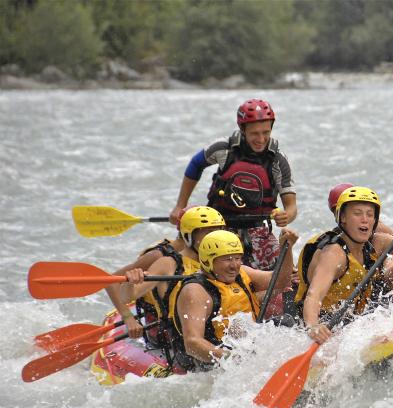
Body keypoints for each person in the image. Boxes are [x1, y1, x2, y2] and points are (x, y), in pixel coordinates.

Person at [168, 98, 297, 270]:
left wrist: (286, 216)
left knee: (284, 276)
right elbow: (195, 165)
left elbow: (292, 207)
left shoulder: (278, 160)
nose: (261, 139)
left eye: (266, 132)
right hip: (218, 228)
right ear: (243, 129)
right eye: (254, 133)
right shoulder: (223, 148)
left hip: (258, 230)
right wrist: (180, 206)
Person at [298, 186, 393, 344]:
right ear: (342, 218)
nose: (365, 219)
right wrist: (313, 326)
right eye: (357, 213)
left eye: (370, 214)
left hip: (354, 320)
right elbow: (314, 295)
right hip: (322, 323)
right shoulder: (333, 254)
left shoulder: (378, 242)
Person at [172, 229, 298, 370]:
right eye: (227, 259)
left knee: (284, 323)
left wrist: (286, 248)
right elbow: (192, 343)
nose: (234, 265)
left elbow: (281, 280)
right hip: (210, 362)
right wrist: (230, 358)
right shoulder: (195, 291)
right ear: (207, 261)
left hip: (242, 347)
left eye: (237, 258)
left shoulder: (242, 272)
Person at [121, 206, 227, 352]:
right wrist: (130, 283)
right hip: (178, 343)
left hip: (215, 334)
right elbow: (127, 296)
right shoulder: (167, 263)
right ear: (189, 236)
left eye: (219, 232)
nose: (216, 238)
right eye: (209, 232)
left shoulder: (222, 263)